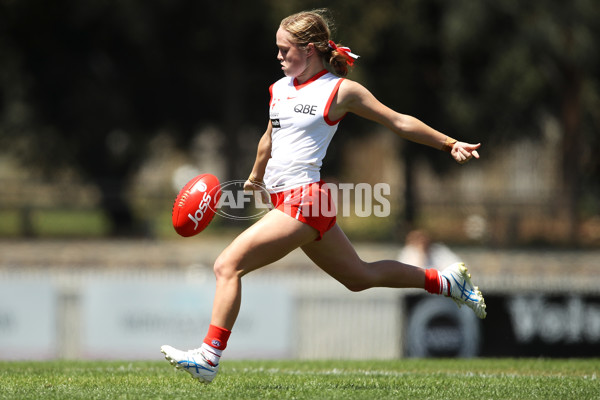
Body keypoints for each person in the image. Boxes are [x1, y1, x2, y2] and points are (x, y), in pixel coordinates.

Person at [161, 8, 486, 383]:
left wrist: (449, 144)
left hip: (307, 199)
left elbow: (398, 121)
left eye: (286, 51)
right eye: (278, 51)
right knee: (359, 276)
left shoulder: (339, 90)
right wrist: (255, 175)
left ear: (311, 48)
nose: (279, 57)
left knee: (227, 265)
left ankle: (209, 357)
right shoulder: (279, 89)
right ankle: (447, 282)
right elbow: (270, 136)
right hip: (290, 202)